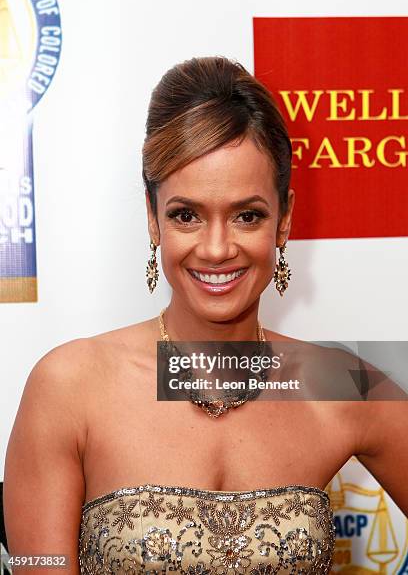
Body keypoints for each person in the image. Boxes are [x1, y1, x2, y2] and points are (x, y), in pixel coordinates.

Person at [3, 56, 408, 575]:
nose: (217, 249)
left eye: (247, 215)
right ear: (153, 218)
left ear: (284, 219)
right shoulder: (69, 386)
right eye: (186, 215)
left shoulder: (341, 384)